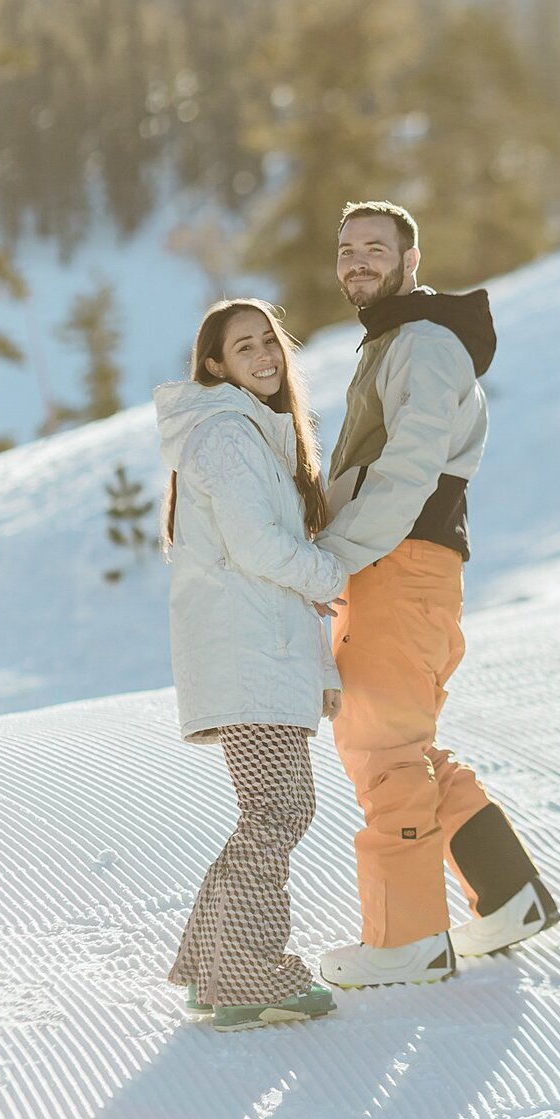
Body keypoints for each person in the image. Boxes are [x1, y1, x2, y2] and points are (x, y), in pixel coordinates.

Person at [315, 200, 560, 989]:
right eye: (347, 249)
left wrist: (333, 559)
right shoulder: (399, 340)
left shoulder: (422, 342)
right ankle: (509, 895)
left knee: (383, 751)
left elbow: (410, 464)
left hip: (395, 562)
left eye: (375, 248)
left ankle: (406, 941)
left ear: (411, 260)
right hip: (403, 565)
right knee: (406, 745)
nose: (358, 260)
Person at [154, 298, 347, 1031]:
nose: (265, 355)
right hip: (247, 655)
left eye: (269, 341)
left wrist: (320, 672)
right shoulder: (228, 435)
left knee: (270, 812)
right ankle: (249, 976)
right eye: (245, 347)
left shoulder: (252, 433)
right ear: (215, 366)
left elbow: (261, 561)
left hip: (261, 651)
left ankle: (216, 971)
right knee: (278, 812)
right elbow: (258, 547)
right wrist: (331, 576)